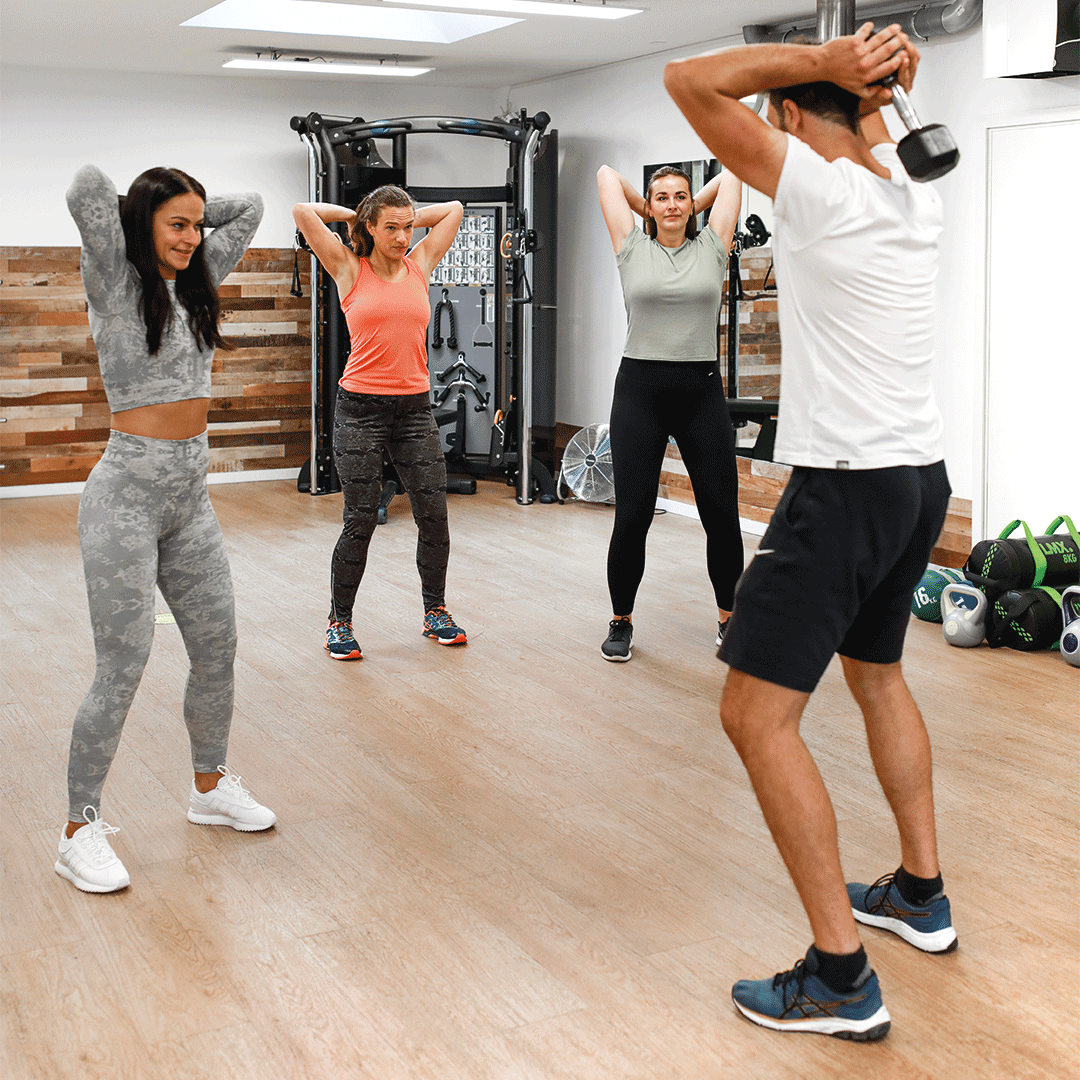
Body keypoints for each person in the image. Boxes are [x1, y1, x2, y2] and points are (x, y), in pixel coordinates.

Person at [665, 24, 956, 1039]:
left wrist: (826, 65)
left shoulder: (819, 193)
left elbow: (686, 79)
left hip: (845, 490)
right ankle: (920, 893)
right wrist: (873, 84)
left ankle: (840, 976)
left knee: (755, 718)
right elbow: (865, 127)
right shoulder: (913, 193)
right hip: (920, 480)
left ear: (790, 113)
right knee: (878, 675)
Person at [59, 165, 276, 894]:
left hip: (190, 499)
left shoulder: (198, 276)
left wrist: (190, 214)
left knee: (217, 649)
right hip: (123, 498)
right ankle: (78, 830)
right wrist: (137, 209)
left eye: (196, 224)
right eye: (176, 224)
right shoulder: (113, 280)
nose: (192, 237)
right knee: (121, 667)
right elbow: (86, 185)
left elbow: (252, 207)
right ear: (143, 222)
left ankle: (209, 787)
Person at [292, 187, 467, 660]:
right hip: (360, 411)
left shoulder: (420, 263)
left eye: (407, 227)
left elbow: (454, 210)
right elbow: (303, 212)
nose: (403, 236)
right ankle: (339, 622)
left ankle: (435, 611)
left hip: (414, 411)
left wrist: (404, 217)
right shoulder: (349, 267)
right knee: (361, 518)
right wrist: (358, 215)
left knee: (434, 515)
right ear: (370, 228)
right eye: (391, 227)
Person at [595, 162, 744, 662]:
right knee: (633, 516)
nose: (673, 204)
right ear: (649, 206)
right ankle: (620, 620)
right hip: (640, 394)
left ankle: (729, 618)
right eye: (663, 197)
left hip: (701, 394)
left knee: (721, 516)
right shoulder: (631, 246)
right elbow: (605, 174)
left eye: (681, 196)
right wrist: (649, 209)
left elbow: (734, 171)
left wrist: (691, 206)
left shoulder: (713, 246)